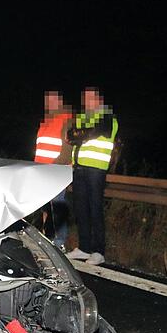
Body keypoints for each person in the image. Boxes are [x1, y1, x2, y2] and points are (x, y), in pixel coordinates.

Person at [66, 87, 118, 265]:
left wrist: (81, 134)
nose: (87, 101)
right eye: (85, 98)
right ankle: (84, 247)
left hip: (96, 169)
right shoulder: (82, 117)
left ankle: (99, 251)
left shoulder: (107, 116)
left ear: (99, 99)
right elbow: (70, 135)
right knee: (80, 209)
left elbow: (94, 133)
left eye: (90, 98)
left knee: (95, 209)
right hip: (79, 168)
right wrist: (81, 134)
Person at [34, 90, 74, 248]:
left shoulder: (66, 119)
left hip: (57, 169)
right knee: (46, 205)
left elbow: (68, 148)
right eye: (47, 101)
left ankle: (59, 242)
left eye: (53, 101)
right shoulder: (47, 122)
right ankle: (46, 238)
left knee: (57, 204)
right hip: (42, 170)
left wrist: (56, 166)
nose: (49, 104)